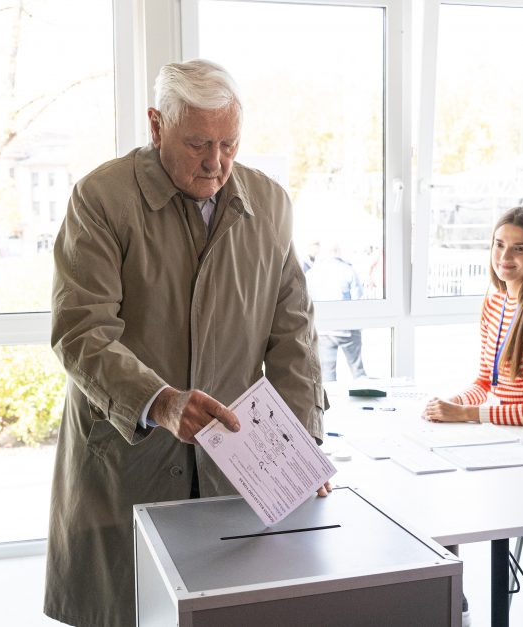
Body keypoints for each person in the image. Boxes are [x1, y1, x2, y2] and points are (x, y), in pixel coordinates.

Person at [44, 59, 329, 627]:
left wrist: (304, 443)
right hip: (127, 457)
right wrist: (160, 401)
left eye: (229, 143)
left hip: (237, 464)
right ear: (156, 126)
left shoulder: (270, 204)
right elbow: (80, 330)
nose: (216, 161)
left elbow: (293, 334)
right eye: (198, 143)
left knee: (227, 609)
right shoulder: (101, 199)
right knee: (128, 610)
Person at [422, 206, 523, 444]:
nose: (505, 257)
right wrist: (454, 403)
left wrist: (466, 414)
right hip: (512, 437)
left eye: (520, 248)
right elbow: (486, 383)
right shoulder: (495, 302)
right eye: (499, 245)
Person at [304, 241, 367, 381]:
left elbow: (307, 301)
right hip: (348, 329)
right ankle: (367, 396)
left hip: (324, 330)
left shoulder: (312, 273)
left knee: (327, 373)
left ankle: (331, 401)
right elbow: (358, 300)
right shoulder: (349, 270)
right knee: (358, 371)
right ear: (338, 252)